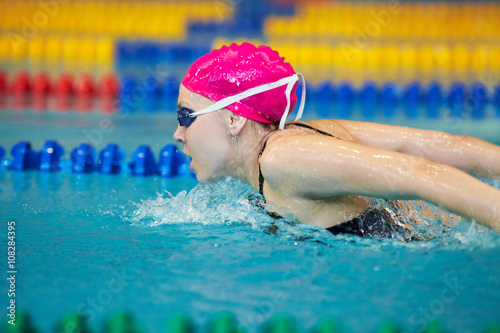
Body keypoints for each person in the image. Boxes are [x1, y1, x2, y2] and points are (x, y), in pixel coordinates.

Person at [173, 42, 500, 238]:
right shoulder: (302, 135)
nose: (178, 134)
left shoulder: (285, 157)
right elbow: (438, 144)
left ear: (233, 117)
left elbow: (419, 173)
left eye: (186, 116)